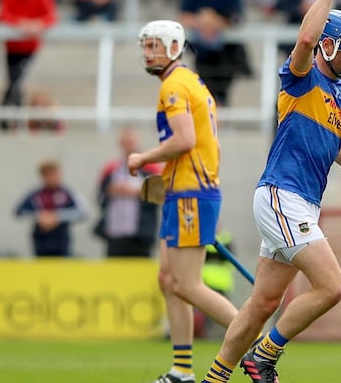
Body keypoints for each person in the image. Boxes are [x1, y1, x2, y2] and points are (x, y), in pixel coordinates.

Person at [198, 0, 341, 383]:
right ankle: (264, 356)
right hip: (281, 195)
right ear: (328, 45)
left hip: (302, 201)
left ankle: (215, 378)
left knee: (262, 304)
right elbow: (305, 37)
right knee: (331, 287)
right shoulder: (300, 77)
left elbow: (336, 140)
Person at [128, 20, 238, 383]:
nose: (148, 53)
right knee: (168, 279)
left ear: (174, 47)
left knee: (188, 285)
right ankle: (182, 370)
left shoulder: (174, 85)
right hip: (183, 190)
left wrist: (144, 158)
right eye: (145, 46)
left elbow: (185, 140)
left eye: (154, 46)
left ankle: (255, 343)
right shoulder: (188, 81)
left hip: (192, 193)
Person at [179, 0, 251, 107]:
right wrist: (202, 22)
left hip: (224, 53)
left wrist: (217, 22)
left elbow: (237, 18)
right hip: (202, 51)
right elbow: (184, 15)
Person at [0, 0, 57, 130]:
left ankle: (10, 115)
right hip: (13, 47)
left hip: (31, 47)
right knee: (14, 82)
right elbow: (3, 15)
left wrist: (38, 24)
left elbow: (51, 16)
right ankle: (10, 116)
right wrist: (20, 24)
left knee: (16, 83)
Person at [94, 126, 162, 257]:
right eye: (125, 142)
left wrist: (137, 192)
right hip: (115, 233)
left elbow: (161, 195)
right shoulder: (111, 169)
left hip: (141, 234)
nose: (128, 146)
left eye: (130, 142)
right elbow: (100, 197)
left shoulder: (151, 168)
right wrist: (111, 191)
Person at [15, 159, 88, 257]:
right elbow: (19, 211)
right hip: (41, 238)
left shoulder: (68, 192)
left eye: (56, 174)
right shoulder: (35, 194)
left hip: (61, 237)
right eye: (49, 175)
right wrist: (40, 216)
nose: (54, 177)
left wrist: (57, 217)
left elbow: (82, 212)